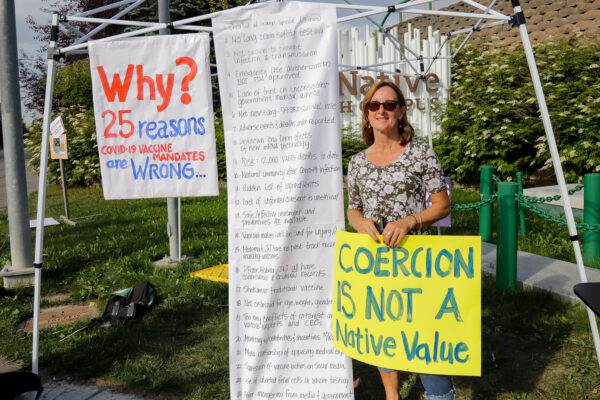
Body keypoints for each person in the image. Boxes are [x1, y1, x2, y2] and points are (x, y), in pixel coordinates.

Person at [346, 81, 454, 400]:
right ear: (366, 113)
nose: (381, 110)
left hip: (417, 266)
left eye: (389, 105)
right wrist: (361, 222)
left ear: (401, 111)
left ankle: (439, 395)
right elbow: (353, 209)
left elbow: (442, 205)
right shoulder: (357, 163)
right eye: (374, 105)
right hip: (377, 267)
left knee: (428, 351)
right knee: (385, 336)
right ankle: (392, 397)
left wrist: (409, 221)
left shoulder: (420, 153)